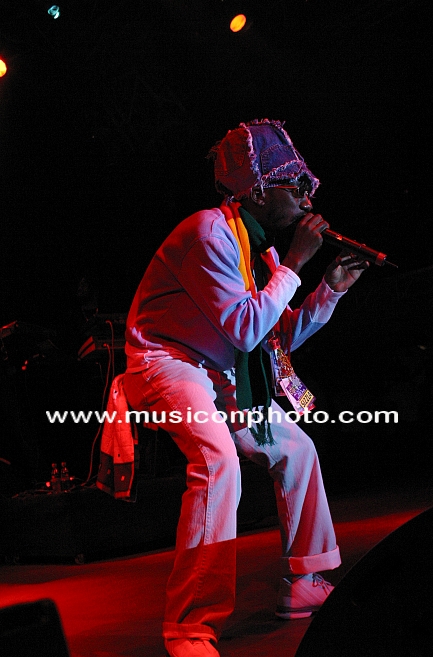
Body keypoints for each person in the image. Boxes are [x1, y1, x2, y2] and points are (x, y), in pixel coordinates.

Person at [123, 119, 368, 657]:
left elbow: (271, 339)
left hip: (219, 366)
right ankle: (189, 626)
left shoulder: (259, 252)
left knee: (297, 448)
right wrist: (298, 264)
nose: (306, 198)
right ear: (257, 191)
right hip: (165, 361)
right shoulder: (209, 234)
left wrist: (327, 291)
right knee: (218, 463)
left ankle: (305, 580)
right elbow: (246, 328)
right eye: (294, 186)